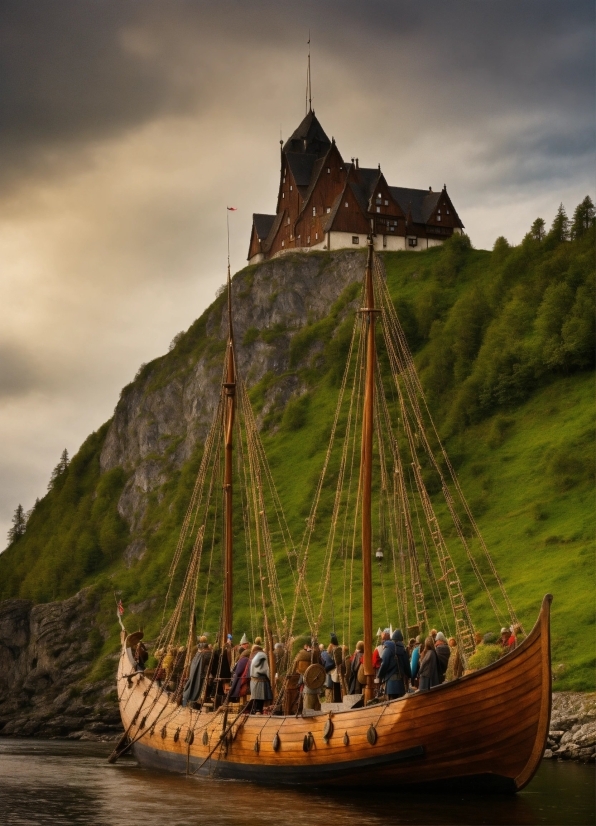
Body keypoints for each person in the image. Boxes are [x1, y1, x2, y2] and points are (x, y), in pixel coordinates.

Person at [376, 629, 411, 699]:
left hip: (391, 685)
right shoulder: (403, 651)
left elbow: (384, 664)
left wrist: (379, 676)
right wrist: (410, 675)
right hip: (401, 685)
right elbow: (407, 667)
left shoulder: (388, 649)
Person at [182, 636, 211, 707]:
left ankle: (186, 701)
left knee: (191, 682)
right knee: (196, 684)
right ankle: (193, 701)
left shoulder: (196, 650)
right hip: (200, 671)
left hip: (193, 667)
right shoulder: (206, 653)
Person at [249, 644, 272, 713]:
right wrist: (270, 678)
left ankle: (255, 711)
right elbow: (266, 669)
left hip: (253, 680)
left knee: (255, 699)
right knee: (261, 699)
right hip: (261, 680)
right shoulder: (264, 656)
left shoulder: (252, 657)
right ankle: (259, 711)